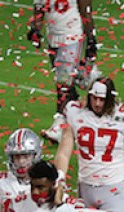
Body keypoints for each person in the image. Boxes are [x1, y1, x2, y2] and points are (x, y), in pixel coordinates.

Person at [54, 77, 124, 212]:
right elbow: (64, 152)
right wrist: (60, 177)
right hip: (85, 184)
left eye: (102, 99)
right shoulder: (75, 112)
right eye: (94, 98)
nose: (97, 103)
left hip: (114, 186)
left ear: (110, 99)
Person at [29, 0, 97, 143]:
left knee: (63, 83)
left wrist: (91, 39)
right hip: (53, 39)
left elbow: (85, 11)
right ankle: (78, 122)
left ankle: (59, 126)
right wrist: (35, 30)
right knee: (69, 82)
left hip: (73, 36)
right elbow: (39, 10)